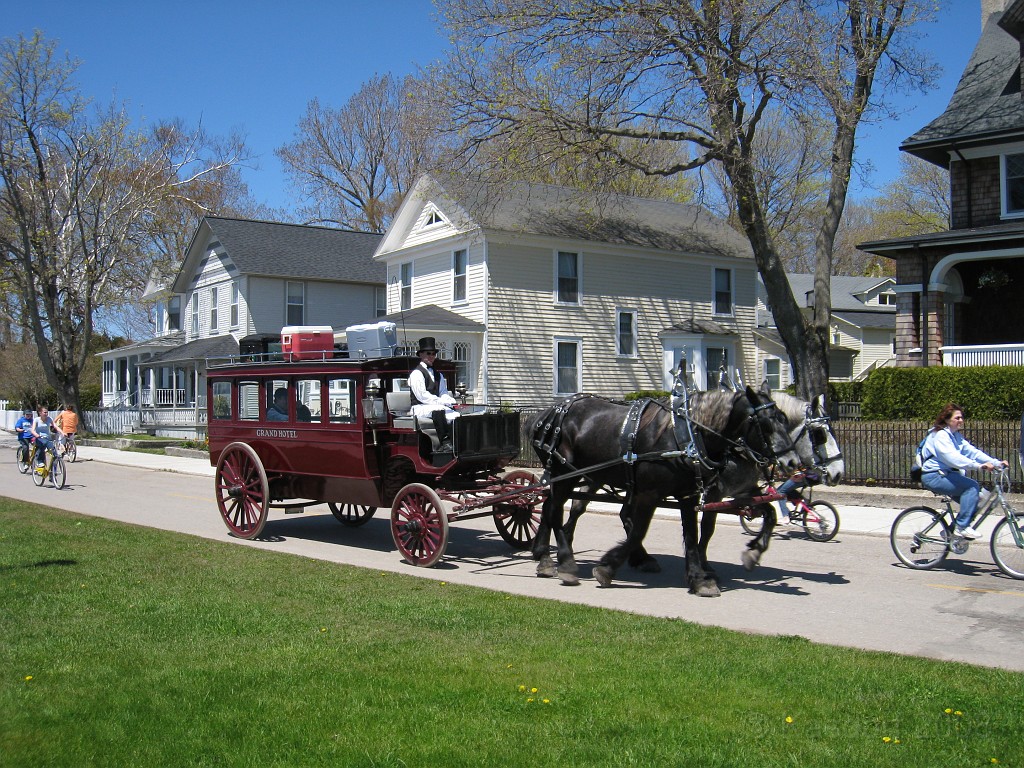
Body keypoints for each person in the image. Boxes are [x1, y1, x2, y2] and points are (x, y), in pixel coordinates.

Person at [919, 403, 1008, 539]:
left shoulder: (955, 436)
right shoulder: (940, 435)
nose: (961, 420)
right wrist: (979, 466)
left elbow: (973, 452)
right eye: (957, 417)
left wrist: (996, 462)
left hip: (946, 474)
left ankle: (950, 532)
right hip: (934, 476)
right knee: (972, 487)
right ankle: (961, 527)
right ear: (947, 419)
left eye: (961, 417)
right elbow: (952, 458)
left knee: (976, 499)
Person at [407, 336, 458, 453]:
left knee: (455, 415)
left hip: (433, 406)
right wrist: (441, 401)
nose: (431, 356)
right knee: (440, 409)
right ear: (421, 355)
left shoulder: (438, 374)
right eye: (428, 353)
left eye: (433, 354)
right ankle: (444, 443)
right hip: (419, 407)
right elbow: (422, 396)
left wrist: (448, 400)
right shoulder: (416, 374)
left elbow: (443, 393)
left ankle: (457, 442)